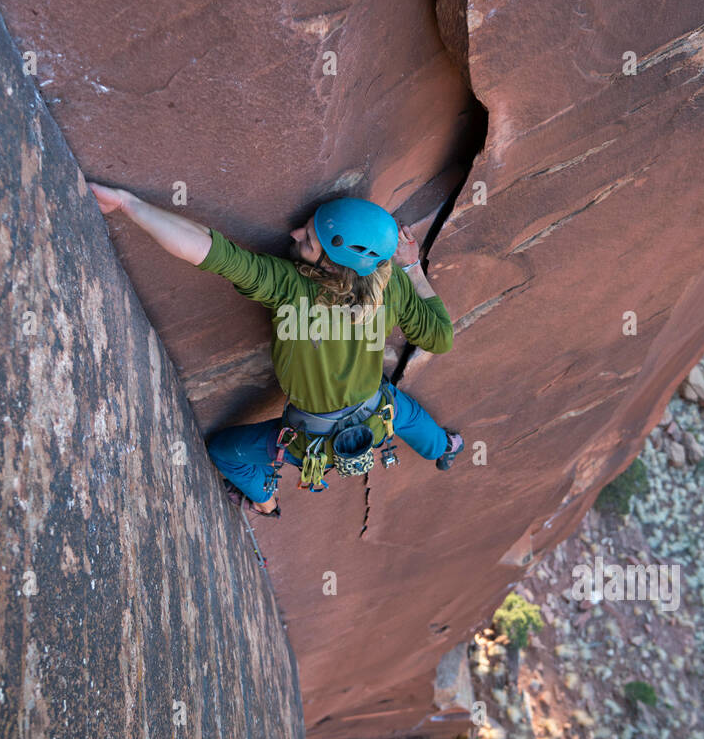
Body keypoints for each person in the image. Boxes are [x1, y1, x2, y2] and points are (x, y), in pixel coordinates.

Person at [89, 185, 464, 515]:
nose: (296, 232)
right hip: (378, 412)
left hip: (312, 441)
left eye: (308, 241)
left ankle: (266, 502)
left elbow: (205, 247)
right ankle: (443, 448)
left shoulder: (290, 287)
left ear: (334, 266)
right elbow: (440, 338)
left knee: (224, 452)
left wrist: (128, 205)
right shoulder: (391, 281)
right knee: (402, 411)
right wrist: (412, 267)